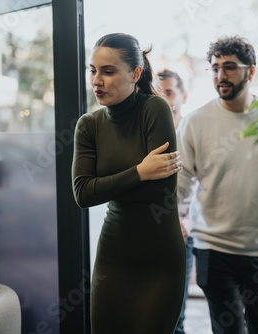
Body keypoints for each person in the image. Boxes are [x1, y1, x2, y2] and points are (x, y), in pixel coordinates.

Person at [176, 35, 258, 334]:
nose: (221, 75)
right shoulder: (194, 123)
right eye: (215, 67)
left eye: (230, 67)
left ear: (251, 70)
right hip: (213, 249)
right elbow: (181, 184)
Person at [71, 33, 186, 334]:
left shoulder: (155, 109)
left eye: (108, 71)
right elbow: (83, 193)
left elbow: (162, 190)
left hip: (160, 262)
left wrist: (109, 183)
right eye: (93, 70)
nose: (97, 80)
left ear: (135, 74)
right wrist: (139, 171)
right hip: (113, 259)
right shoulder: (89, 125)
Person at [157, 69, 193, 334]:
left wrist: (186, 218)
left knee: (176, 314)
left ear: (183, 96)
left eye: (169, 92)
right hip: (151, 232)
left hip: (185, 233)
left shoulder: (191, 131)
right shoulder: (149, 133)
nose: (165, 99)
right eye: (159, 93)